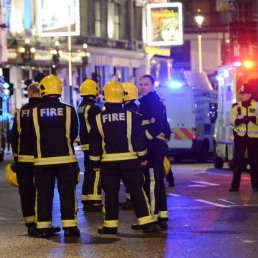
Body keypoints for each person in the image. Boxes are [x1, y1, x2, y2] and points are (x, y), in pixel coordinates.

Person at [89, 80, 158, 234]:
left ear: (106, 97)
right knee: (136, 191)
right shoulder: (131, 115)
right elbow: (138, 138)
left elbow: (94, 141)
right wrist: (143, 156)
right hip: (130, 160)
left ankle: (110, 226)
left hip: (109, 162)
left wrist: (95, 162)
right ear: (122, 96)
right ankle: (146, 222)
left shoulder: (99, 118)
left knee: (110, 193)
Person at [29, 75, 80, 237]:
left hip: (42, 160)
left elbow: (31, 135)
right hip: (66, 159)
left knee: (43, 193)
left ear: (43, 90)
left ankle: (43, 227)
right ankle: (70, 227)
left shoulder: (34, 112)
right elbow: (73, 134)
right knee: (67, 193)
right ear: (59, 89)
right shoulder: (69, 110)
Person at [11, 82, 45, 236]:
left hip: (24, 160)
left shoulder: (21, 112)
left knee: (26, 192)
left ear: (29, 92)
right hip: (42, 159)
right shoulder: (45, 109)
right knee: (43, 191)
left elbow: (15, 136)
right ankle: (43, 222)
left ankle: (30, 224)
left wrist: (16, 159)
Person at [137, 74, 168, 229]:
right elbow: (165, 125)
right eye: (141, 84)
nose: (143, 87)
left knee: (152, 182)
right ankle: (161, 216)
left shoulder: (153, 102)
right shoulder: (147, 102)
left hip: (153, 146)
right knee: (157, 181)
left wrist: (144, 142)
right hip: (156, 145)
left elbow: (155, 126)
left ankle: (152, 217)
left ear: (153, 86)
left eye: (146, 84)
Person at [77, 79, 102, 212]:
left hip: (85, 144)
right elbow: (99, 127)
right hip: (94, 144)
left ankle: (86, 198)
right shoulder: (94, 108)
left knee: (88, 171)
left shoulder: (81, 107)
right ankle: (94, 200)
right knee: (96, 171)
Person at [228, 83, 258, 192]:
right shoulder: (235, 106)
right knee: (237, 163)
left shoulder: (257, 105)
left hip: (253, 138)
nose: (242, 96)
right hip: (240, 137)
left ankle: (256, 186)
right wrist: (238, 121)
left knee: (254, 162)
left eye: (244, 94)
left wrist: (255, 120)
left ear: (250, 94)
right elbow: (230, 120)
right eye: (241, 94)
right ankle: (234, 186)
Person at [120, 82, 139, 209]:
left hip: (130, 148)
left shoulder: (128, 110)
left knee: (131, 177)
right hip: (133, 148)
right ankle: (130, 199)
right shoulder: (136, 108)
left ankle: (132, 200)